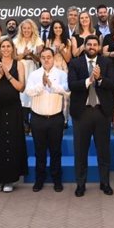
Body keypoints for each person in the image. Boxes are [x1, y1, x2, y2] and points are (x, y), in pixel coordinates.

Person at [68, 35, 114, 197]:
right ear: (85, 46)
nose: (92, 47)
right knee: (80, 151)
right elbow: (72, 85)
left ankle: (105, 183)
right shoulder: (75, 63)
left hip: (102, 113)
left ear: (99, 47)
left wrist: (100, 78)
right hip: (82, 113)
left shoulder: (107, 62)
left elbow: (112, 84)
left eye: (95, 44)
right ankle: (80, 184)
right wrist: (89, 80)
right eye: (89, 44)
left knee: (103, 151)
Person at [0, 39, 28, 192]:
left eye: (9, 46)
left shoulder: (19, 64)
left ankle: (9, 180)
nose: (6, 49)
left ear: (12, 48)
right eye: (3, 46)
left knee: (12, 142)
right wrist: (0, 75)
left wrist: (7, 74)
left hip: (13, 108)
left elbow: (21, 87)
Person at [25, 47, 69, 192]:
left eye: (49, 56)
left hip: (56, 118)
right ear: (40, 58)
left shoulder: (61, 74)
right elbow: (29, 92)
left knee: (56, 151)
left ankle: (57, 179)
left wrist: (51, 84)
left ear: (53, 57)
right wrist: (41, 84)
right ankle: (39, 179)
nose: (46, 59)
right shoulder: (34, 74)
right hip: (38, 118)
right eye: (43, 57)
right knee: (40, 151)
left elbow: (67, 91)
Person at [13, 18, 44, 134]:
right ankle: (24, 123)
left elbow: (40, 59)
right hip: (20, 68)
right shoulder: (16, 41)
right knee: (22, 96)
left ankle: (33, 124)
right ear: (21, 29)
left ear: (32, 29)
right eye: (24, 28)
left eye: (28, 28)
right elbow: (14, 58)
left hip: (33, 69)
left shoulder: (38, 41)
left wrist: (31, 54)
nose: (26, 30)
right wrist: (24, 54)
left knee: (32, 94)